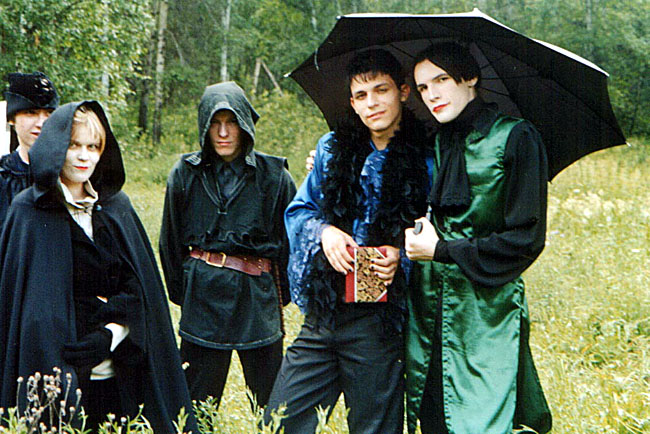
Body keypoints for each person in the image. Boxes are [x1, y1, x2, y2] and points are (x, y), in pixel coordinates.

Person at [0, 101, 198, 433]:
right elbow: (29, 312)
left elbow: (140, 294)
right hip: (56, 378)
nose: (84, 156)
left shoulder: (117, 208)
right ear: (56, 147)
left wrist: (110, 335)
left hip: (119, 378)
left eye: (93, 147)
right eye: (74, 145)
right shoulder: (29, 212)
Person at [265, 49, 429, 434]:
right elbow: (299, 212)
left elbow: (438, 228)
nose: (372, 103)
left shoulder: (428, 157)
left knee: (375, 428)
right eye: (361, 95)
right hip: (325, 312)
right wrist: (324, 233)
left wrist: (401, 254)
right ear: (352, 104)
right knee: (280, 421)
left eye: (381, 90)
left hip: (380, 321)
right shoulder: (331, 148)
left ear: (403, 91)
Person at [404, 41, 552, 434]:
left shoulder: (516, 137)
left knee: (484, 420)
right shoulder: (439, 140)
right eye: (422, 87)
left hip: (487, 309)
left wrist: (442, 250)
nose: (431, 94)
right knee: (434, 418)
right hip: (429, 308)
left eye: (441, 80)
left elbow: (526, 239)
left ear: (469, 78)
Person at [159, 81, 296, 410]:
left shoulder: (275, 177)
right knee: (195, 410)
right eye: (215, 123)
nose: (223, 133)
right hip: (203, 302)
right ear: (204, 126)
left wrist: (276, 295)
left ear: (244, 124)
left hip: (257, 302)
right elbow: (170, 243)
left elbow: (293, 244)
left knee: (273, 411)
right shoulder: (185, 174)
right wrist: (189, 291)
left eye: (231, 122)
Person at [0, 71, 59, 226]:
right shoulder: (3, 178)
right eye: (31, 113)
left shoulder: (69, 174)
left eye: (49, 113)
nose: (41, 123)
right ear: (12, 119)